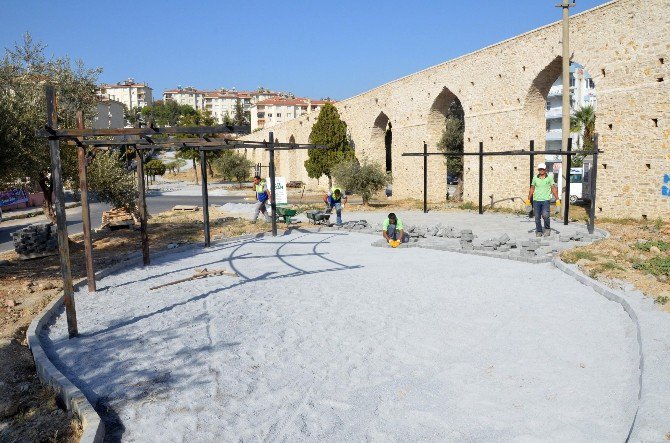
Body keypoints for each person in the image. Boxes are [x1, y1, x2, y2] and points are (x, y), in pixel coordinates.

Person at [527, 163, 560, 237]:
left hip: (545, 200)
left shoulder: (549, 178)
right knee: (537, 217)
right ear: (538, 170)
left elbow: (553, 189)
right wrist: (528, 199)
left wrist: (557, 199)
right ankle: (539, 231)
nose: (541, 170)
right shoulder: (535, 178)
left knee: (545, 215)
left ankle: (547, 229)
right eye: (539, 169)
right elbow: (532, 189)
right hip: (536, 200)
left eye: (542, 169)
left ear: (545, 170)